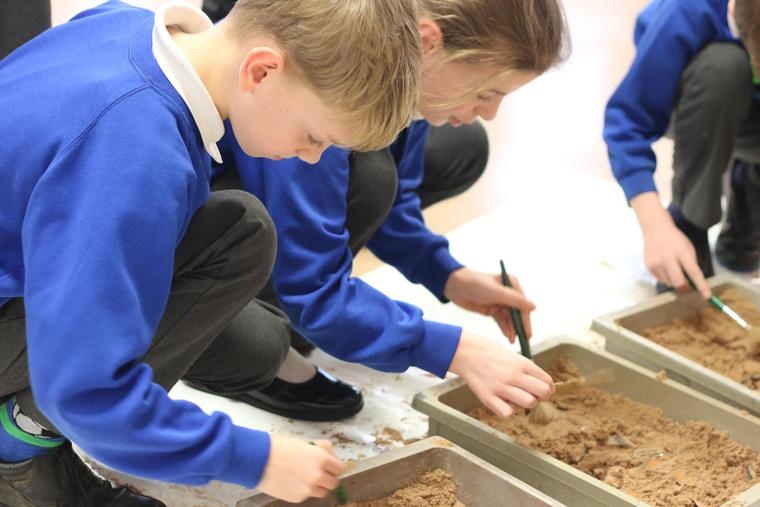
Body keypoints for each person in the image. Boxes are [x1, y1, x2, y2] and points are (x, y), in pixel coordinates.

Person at [0, 0, 421, 504]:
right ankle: (14, 447)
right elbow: (82, 390)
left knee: (240, 230)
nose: (312, 157)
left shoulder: (124, 24)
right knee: (95, 378)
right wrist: (253, 458)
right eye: (315, 136)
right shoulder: (134, 148)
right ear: (261, 71)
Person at [189, 0, 570, 424]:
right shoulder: (321, 87)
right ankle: (254, 321)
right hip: (205, 215)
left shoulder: (406, 62)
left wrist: (444, 272)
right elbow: (314, 290)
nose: (491, 112)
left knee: (455, 146)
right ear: (427, 43)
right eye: (486, 93)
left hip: (277, 170)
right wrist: (451, 349)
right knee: (261, 343)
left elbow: (396, 199)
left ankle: (312, 313)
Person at [604, 0, 760, 299]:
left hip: (751, 105)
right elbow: (626, 123)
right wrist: (655, 226)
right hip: (695, 96)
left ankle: (747, 210)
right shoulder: (688, 9)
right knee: (723, 69)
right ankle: (689, 222)